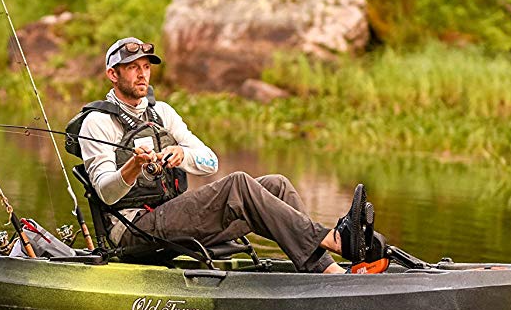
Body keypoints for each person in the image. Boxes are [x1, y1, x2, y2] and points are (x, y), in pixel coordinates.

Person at [71, 36, 385, 274]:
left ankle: (331, 273)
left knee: (276, 184)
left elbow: (210, 161)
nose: (142, 75)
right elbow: (107, 193)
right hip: (134, 229)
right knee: (237, 184)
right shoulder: (98, 122)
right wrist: (134, 165)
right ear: (113, 75)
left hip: (173, 217)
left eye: (145, 67)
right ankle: (336, 240)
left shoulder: (162, 113)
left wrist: (183, 155)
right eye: (132, 68)